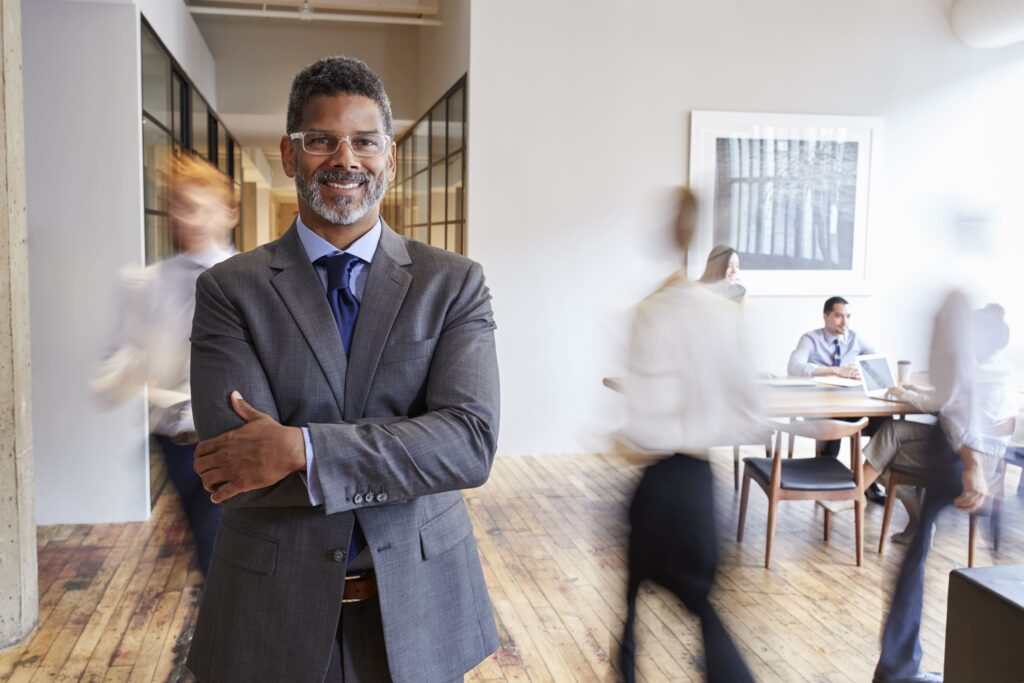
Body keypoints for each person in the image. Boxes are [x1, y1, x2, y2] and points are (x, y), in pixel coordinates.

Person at [185, 56, 500, 682]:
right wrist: (409, 445)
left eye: (364, 141)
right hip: (274, 609)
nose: (344, 159)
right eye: (320, 140)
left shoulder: (454, 285)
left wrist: (301, 447)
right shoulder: (229, 290)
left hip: (420, 602)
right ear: (288, 153)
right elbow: (237, 469)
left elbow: (468, 446)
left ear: (390, 156)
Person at [618, 188, 761, 683]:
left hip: (663, 481)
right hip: (700, 480)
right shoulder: (723, 313)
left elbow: (646, 424)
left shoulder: (652, 311)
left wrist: (627, 438)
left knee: (639, 594)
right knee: (694, 599)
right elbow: (748, 409)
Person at [91, 153, 235, 574]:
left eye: (196, 205)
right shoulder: (147, 284)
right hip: (175, 444)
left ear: (227, 213)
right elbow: (118, 357)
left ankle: (219, 633)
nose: (185, 216)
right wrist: (121, 374)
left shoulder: (250, 280)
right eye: (177, 205)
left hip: (231, 442)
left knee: (219, 559)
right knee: (209, 559)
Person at [873, 296, 1017, 683]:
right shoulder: (979, 359)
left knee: (918, 556)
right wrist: (973, 466)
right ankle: (898, 667)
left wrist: (974, 467)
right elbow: (954, 411)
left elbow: (956, 412)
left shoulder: (974, 356)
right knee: (917, 556)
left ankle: (897, 666)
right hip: (961, 454)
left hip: (965, 456)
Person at [787, 297, 887, 502]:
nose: (845, 322)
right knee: (833, 421)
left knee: (885, 421)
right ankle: (826, 481)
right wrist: (835, 371)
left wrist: (862, 370)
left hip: (850, 404)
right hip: (819, 407)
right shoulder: (811, 339)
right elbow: (794, 366)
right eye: (839, 316)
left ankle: (868, 479)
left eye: (848, 316)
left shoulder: (856, 338)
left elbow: (878, 364)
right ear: (826, 316)